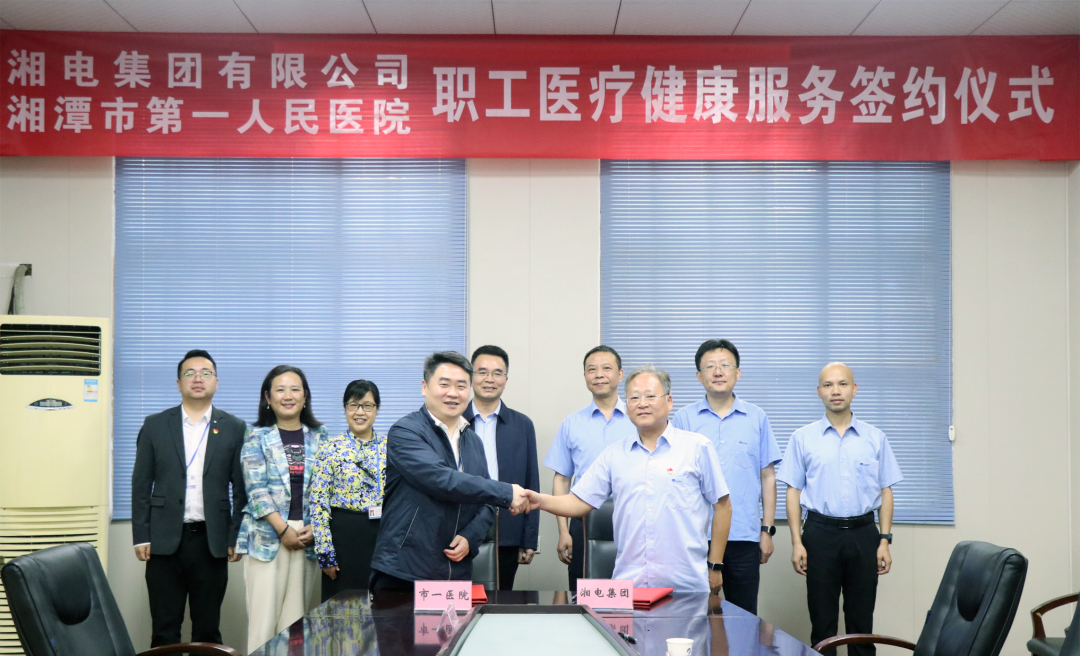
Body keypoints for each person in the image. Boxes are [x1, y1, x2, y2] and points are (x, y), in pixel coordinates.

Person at [527, 365, 732, 593]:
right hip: (629, 585)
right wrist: (538, 500)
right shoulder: (614, 454)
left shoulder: (697, 447)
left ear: (669, 401)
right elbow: (578, 502)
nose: (642, 403)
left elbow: (723, 506)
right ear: (626, 407)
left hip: (685, 584)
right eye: (634, 398)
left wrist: (715, 565)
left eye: (650, 396)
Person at [368, 351, 531, 590]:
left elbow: (487, 502)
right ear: (424, 387)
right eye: (444, 384)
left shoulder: (473, 440)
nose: (453, 393)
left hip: (455, 570)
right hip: (404, 570)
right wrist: (507, 492)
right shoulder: (405, 431)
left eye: (461, 386)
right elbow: (441, 479)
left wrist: (471, 536)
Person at [777, 363, 903, 656]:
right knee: (823, 623)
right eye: (828, 385)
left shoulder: (875, 438)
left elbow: (886, 491)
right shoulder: (802, 438)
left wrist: (884, 540)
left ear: (854, 389)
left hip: (864, 533)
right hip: (820, 534)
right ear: (819, 391)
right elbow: (793, 491)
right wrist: (797, 542)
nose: (836, 391)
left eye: (843, 384)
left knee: (861, 623)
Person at [130, 349, 247, 649]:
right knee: (164, 630)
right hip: (163, 541)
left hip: (211, 541)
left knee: (207, 630)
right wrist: (141, 535)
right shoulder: (155, 424)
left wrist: (235, 536)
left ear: (216, 382)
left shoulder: (234, 427)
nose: (198, 379)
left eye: (206, 373)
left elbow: (241, 488)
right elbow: (141, 484)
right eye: (190, 373)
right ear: (178, 383)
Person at [671, 339, 781, 614]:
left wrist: (766, 530)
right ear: (699, 376)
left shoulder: (756, 417)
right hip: (695, 537)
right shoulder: (683, 419)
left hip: (744, 536)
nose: (718, 372)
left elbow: (768, 477)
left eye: (725, 365)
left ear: (737, 372)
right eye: (710, 366)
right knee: (693, 616)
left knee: (744, 617)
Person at [236, 365, 328, 654]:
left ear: (305, 396)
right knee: (264, 624)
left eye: (295, 389)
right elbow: (256, 490)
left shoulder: (320, 435)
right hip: (268, 535)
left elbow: (326, 488)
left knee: (296, 623)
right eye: (280, 390)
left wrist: (316, 526)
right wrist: (283, 529)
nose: (288, 396)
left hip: (307, 536)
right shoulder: (255, 436)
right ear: (268, 397)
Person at [543, 345, 638, 589]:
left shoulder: (639, 420)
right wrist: (564, 531)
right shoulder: (572, 424)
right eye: (591, 369)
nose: (599, 375)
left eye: (606, 368)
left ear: (620, 374)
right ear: (585, 376)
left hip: (634, 519)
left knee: (635, 594)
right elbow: (562, 479)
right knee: (583, 593)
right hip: (583, 520)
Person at [462, 345, 540, 590]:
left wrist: (529, 538)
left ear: (506, 379)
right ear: (470, 376)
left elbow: (531, 481)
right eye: (482, 372)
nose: (490, 379)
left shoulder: (522, 424)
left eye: (497, 373)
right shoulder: (454, 420)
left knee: (501, 599)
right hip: (460, 526)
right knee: (458, 600)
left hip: (507, 526)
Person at [310, 379, 387, 602]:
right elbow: (318, 503)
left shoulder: (390, 447)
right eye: (353, 405)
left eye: (367, 406)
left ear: (377, 409)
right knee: (341, 610)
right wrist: (325, 553)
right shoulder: (330, 449)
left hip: (381, 536)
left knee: (381, 609)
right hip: (343, 539)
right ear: (345, 408)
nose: (360, 412)